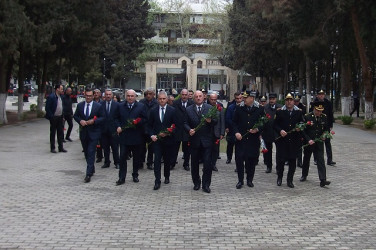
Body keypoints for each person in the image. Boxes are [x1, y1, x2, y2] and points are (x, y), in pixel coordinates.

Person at [184, 90, 217, 193]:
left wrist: (210, 121)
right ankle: (196, 183)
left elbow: (216, 121)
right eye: (196, 96)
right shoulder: (188, 109)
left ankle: (206, 184)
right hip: (194, 141)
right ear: (193, 98)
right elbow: (184, 122)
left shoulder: (210, 108)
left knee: (207, 164)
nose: (198, 98)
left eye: (200, 96)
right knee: (194, 163)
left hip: (207, 141)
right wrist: (189, 129)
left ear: (204, 97)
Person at [233, 91, 265, 189]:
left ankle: (249, 180)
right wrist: (236, 132)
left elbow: (264, 123)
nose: (244, 99)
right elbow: (234, 123)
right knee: (239, 160)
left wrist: (257, 129)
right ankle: (240, 180)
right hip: (241, 140)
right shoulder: (239, 108)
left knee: (251, 161)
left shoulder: (259, 109)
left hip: (253, 140)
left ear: (252, 98)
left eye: (246, 97)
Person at [115, 89, 147, 185]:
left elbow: (145, 119)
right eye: (128, 96)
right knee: (122, 158)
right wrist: (118, 126)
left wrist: (137, 122)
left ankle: (135, 174)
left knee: (136, 158)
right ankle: (121, 177)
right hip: (124, 137)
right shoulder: (120, 106)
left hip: (136, 136)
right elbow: (116, 118)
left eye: (132, 96)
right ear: (126, 96)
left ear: (135, 97)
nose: (130, 98)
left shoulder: (141, 106)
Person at [73, 88, 105, 183]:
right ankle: (92, 168)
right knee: (86, 152)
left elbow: (103, 117)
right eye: (87, 95)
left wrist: (94, 121)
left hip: (94, 133)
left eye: (90, 96)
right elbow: (75, 116)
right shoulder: (80, 105)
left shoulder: (98, 106)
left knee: (91, 152)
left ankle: (88, 174)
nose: (88, 97)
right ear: (84, 95)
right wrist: (80, 121)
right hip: (84, 133)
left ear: (93, 96)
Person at [148, 91, 177, 190]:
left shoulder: (172, 110)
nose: (162, 100)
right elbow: (149, 125)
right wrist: (152, 135)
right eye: (160, 99)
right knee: (157, 160)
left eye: (164, 99)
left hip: (168, 140)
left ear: (167, 99)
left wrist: (169, 132)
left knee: (167, 160)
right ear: (157, 99)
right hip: (157, 141)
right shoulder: (153, 110)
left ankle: (167, 176)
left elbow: (176, 125)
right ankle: (157, 180)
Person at [274, 93, 304, 188]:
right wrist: (280, 130)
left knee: (292, 162)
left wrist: (300, 127)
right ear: (285, 101)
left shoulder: (298, 112)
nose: (289, 102)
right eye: (287, 100)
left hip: (294, 141)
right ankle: (279, 178)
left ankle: (289, 180)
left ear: (293, 102)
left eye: (291, 100)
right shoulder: (280, 112)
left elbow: (302, 123)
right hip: (282, 141)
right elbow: (275, 125)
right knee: (281, 161)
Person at [300, 101, 331, 187]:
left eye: (321, 111)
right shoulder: (307, 117)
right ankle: (304, 175)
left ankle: (323, 179)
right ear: (314, 109)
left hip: (319, 142)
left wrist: (325, 135)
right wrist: (308, 140)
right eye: (318, 110)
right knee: (306, 159)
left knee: (320, 160)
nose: (319, 112)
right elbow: (303, 130)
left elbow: (326, 129)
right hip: (309, 142)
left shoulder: (324, 117)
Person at [310, 90, 336, 166]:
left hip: (326, 125)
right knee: (316, 142)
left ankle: (329, 159)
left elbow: (330, 114)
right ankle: (316, 159)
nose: (321, 96)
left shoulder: (328, 103)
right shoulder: (314, 103)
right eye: (320, 94)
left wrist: (331, 125)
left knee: (327, 142)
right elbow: (311, 114)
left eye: (322, 94)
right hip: (316, 125)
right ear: (317, 95)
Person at [172, 89, 193, 171]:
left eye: (185, 94)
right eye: (183, 94)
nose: (184, 96)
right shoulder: (175, 103)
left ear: (188, 95)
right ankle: (172, 163)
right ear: (180, 95)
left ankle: (186, 164)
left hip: (187, 130)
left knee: (187, 149)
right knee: (174, 148)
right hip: (177, 129)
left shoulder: (191, 104)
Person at [262, 93, 282, 173]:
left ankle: (278, 167)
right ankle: (269, 166)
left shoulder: (280, 107)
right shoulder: (265, 108)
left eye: (273, 99)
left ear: (276, 99)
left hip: (277, 133)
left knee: (279, 152)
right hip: (267, 132)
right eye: (270, 99)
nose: (271, 101)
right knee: (268, 151)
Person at [100, 89, 120, 169]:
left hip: (113, 130)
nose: (108, 96)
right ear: (104, 95)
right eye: (106, 94)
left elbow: (119, 117)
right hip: (104, 130)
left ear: (112, 95)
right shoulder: (101, 104)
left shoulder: (117, 105)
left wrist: (118, 126)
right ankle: (107, 162)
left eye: (109, 94)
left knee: (115, 147)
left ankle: (117, 162)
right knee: (105, 147)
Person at [139, 87, 159, 170]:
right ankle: (140, 162)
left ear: (154, 95)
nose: (148, 95)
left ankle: (150, 162)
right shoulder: (141, 102)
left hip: (152, 128)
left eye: (150, 94)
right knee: (141, 147)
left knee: (151, 147)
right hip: (143, 127)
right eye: (147, 94)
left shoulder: (157, 103)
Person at [45, 84, 67, 153]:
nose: (62, 90)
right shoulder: (52, 97)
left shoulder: (61, 97)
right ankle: (52, 148)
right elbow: (47, 108)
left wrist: (62, 116)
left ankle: (61, 147)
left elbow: (61, 107)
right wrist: (51, 116)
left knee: (60, 132)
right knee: (53, 133)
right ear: (57, 89)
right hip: (54, 117)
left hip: (60, 117)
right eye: (61, 89)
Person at [225, 92, 243, 165]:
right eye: (237, 98)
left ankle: (238, 160)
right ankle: (229, 158)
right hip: (232, 129)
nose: (238, 100)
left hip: (241, 130)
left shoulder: (244, 106)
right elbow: (228, 118)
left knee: (239, 147)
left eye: (240, 98)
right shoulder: (231, 107)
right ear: (234, 99)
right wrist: (230, 126)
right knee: (230, 144)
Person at [209, 93, 225, 172]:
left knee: (215, 150)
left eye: (214, 99)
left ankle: (213, 164)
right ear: (209, 99)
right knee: (208, 149)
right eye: (212, 99)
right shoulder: (206, 107)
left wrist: (222, 133)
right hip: (208, 133)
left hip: (216, 132)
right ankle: (207, 164)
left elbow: (222, 121)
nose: (213, 101)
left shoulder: (220, 108)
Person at [294, 95, 306, 168]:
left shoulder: (302, 107)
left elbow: (303, 117)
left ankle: (299, 161)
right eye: (295, 101)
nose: (296, 102)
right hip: (291, 129)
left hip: (299, 128)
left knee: (299, 146)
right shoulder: (289, 106)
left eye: (297, 101)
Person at [93, 89, 104, 163]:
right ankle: (97, 155)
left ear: (100, 94)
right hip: (92, 125)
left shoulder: (102, 103)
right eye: (95, 93)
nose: (96, 94)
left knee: (100, 142)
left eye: (97, 93)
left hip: (101, 125)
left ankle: (101, 156)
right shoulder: (91, 102)